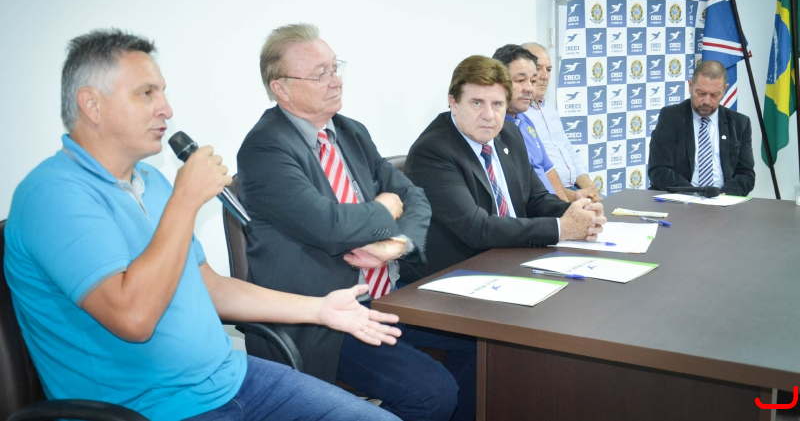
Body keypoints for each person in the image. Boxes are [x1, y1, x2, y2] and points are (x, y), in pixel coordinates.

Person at [4, 29, 403, 421]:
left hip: (232, 379)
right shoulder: (52, 196)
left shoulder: (151, 181)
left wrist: (320, 309)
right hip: (150, 409)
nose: (166, 108)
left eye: (162, 92)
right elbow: (133, 320)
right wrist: (185, 201)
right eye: (146, 93)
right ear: (92, 105)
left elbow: (209, 288)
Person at [237, 23, 473, 421]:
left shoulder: (349, 132)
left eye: (335, 67)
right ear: (281, 88)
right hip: (325, 317)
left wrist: (397, 245)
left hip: (388, 295)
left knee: (483, 341)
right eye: (320, 74)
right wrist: (385, 208)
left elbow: (415, 197)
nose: (336, 80)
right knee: (432, 393)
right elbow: (330, 226)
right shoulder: (265, 148)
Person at [403, 55, 606, 280]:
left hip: (513, 259)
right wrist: (562, 228)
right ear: (454, 103)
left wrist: (576, 214)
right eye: (477, 103)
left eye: (497, 104)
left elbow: (536, 199)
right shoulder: (432, 151)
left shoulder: (509, 134)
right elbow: (477, 229)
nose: (489, 115)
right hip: (457, 275)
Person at [492, 44, 593, 203]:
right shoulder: (494, 129)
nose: (529, 88)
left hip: (553, 204)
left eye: (532, 81)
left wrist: (566, 208)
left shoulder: (525, 120)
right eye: (520, 80)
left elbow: (548, 168)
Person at [648, 60, 755, 196]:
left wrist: (723, 196)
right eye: (701, 93)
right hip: (681, 199)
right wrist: (694, 195)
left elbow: (746, 175)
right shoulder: (670, 117)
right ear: (690, 86)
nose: (706, 101)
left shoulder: (740, 123)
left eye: (714, 95)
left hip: (723, 200)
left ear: (724, 90)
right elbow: (658, 169)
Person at [521, 42, 600, 200]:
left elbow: (569, 151)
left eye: (549, 69)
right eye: (538, 68)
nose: (545, 76)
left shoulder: (550, 110)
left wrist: (591, 190)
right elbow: (536, 174)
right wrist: (573, 196)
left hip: (576, 191)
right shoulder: (519, 117)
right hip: (552, 197)